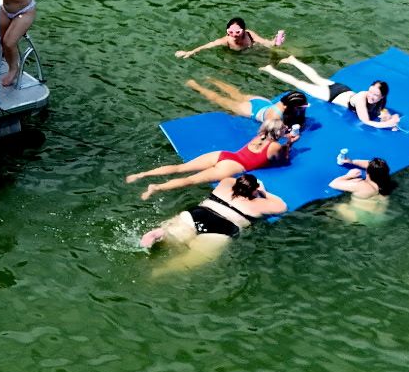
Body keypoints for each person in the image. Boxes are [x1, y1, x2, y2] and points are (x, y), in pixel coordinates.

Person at [139, 173, 287, 262]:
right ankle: (160, 273)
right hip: (222, 228)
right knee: (187, 261)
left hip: (197, 214)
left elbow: (231, 179)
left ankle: (161, 234)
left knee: (173, 234)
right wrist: (263, 191)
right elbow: (282, 206)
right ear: (253, 190)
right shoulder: (258, 204)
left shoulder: (225, 184)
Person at [126, 122, 293, 200]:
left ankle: (141, 174)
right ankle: (156, 187)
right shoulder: (275, 146)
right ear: (279, 133)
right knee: (190, 180)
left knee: (180, 167)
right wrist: (290, 143)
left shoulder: (259, 136)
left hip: (224, 155)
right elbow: (284, 161)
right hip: (232, 166)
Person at [259, 56, 400, 128]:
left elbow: (382, 110)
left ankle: (292, 60)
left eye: (375, 95)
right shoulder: (362, 98)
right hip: (333, 95)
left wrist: (387, 116)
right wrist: (387, 124)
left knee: (316, 77)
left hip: (344, 89)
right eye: (370, 91)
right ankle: (270, 69)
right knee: (299, 83)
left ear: (382, 97)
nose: (371, 96)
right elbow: (366, 121)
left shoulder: (380, 101)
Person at [185, 79, 309, 129]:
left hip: (263, 102)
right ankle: (195, 85)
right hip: (250, 110)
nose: (303, 109)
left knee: (237, 94)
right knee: (219, 99)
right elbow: (265, 130)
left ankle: (211, 79)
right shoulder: (274, 117)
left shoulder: (286, 102)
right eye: (301, 107)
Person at [329, 154, 396, 221]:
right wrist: (352, 162)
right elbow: (374, 166)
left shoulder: (362, 186)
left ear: (367, 173)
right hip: (377, 217)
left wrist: (348, 176)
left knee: (337, 206)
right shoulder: (385, 182)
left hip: (359, 218)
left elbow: (333, 184)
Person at [176, 17, 283, 58]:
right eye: (230, 32)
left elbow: (263, 42)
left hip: (252, 49)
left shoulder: (249, 34)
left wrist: (273, 43)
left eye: (238, 31)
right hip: (233, 54)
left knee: (276, 52)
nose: (234, 34)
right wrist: (190, 52)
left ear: (244, 30)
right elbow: (208, 45)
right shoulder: (226, 40)